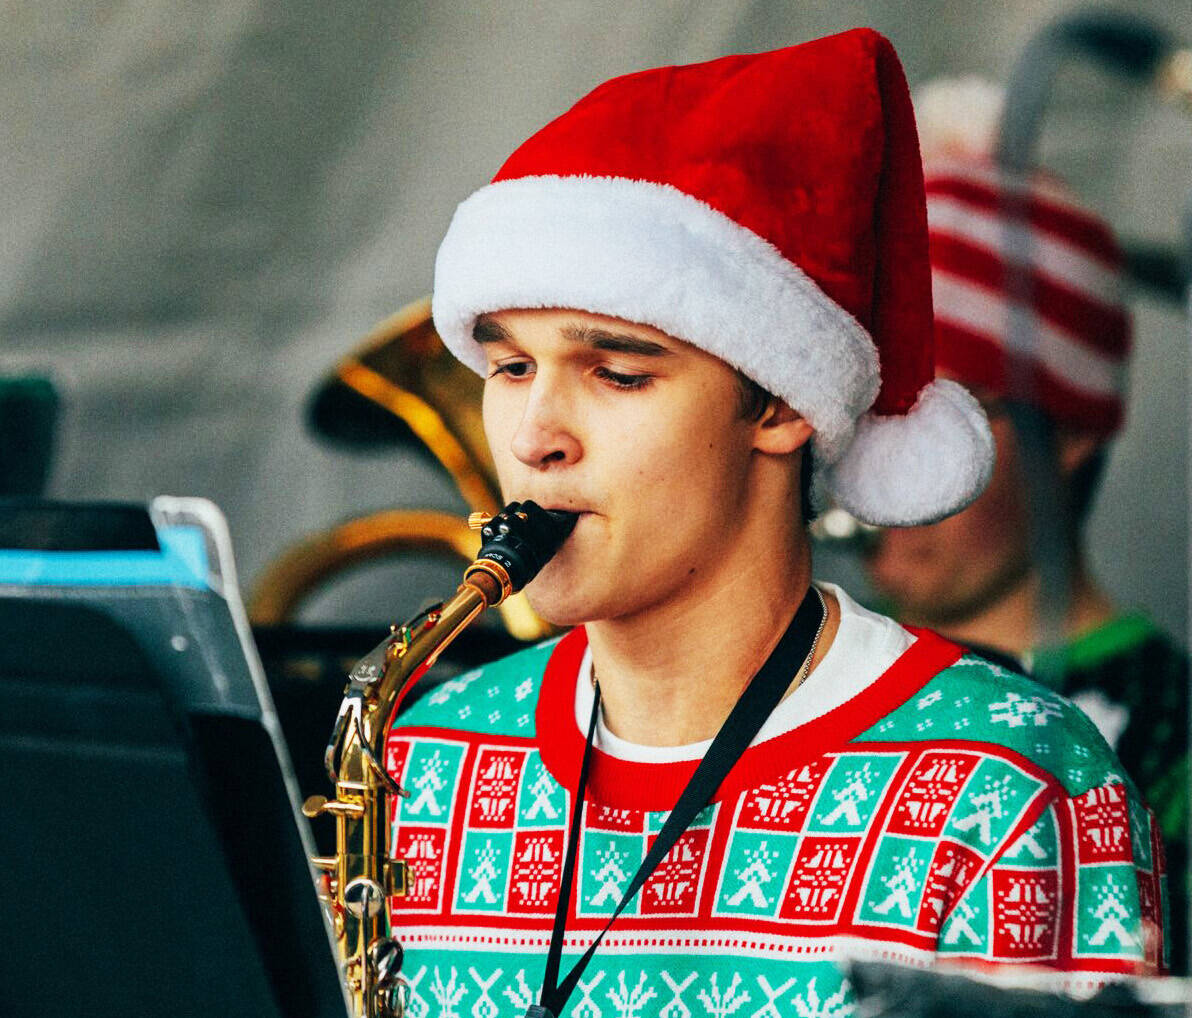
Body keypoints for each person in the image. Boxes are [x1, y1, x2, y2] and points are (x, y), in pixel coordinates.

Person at [386, 31, 1166, 1018]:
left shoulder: (1007, 788)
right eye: (508, 367)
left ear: (784, 402)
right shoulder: (422, 756)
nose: (533, 437)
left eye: (617, 373)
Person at [863, 77, 1188, 969]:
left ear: (1070, 434)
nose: (881, 462)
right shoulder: (806, 660)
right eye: (867, 411)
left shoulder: (1176, 732)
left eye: (947, 415)